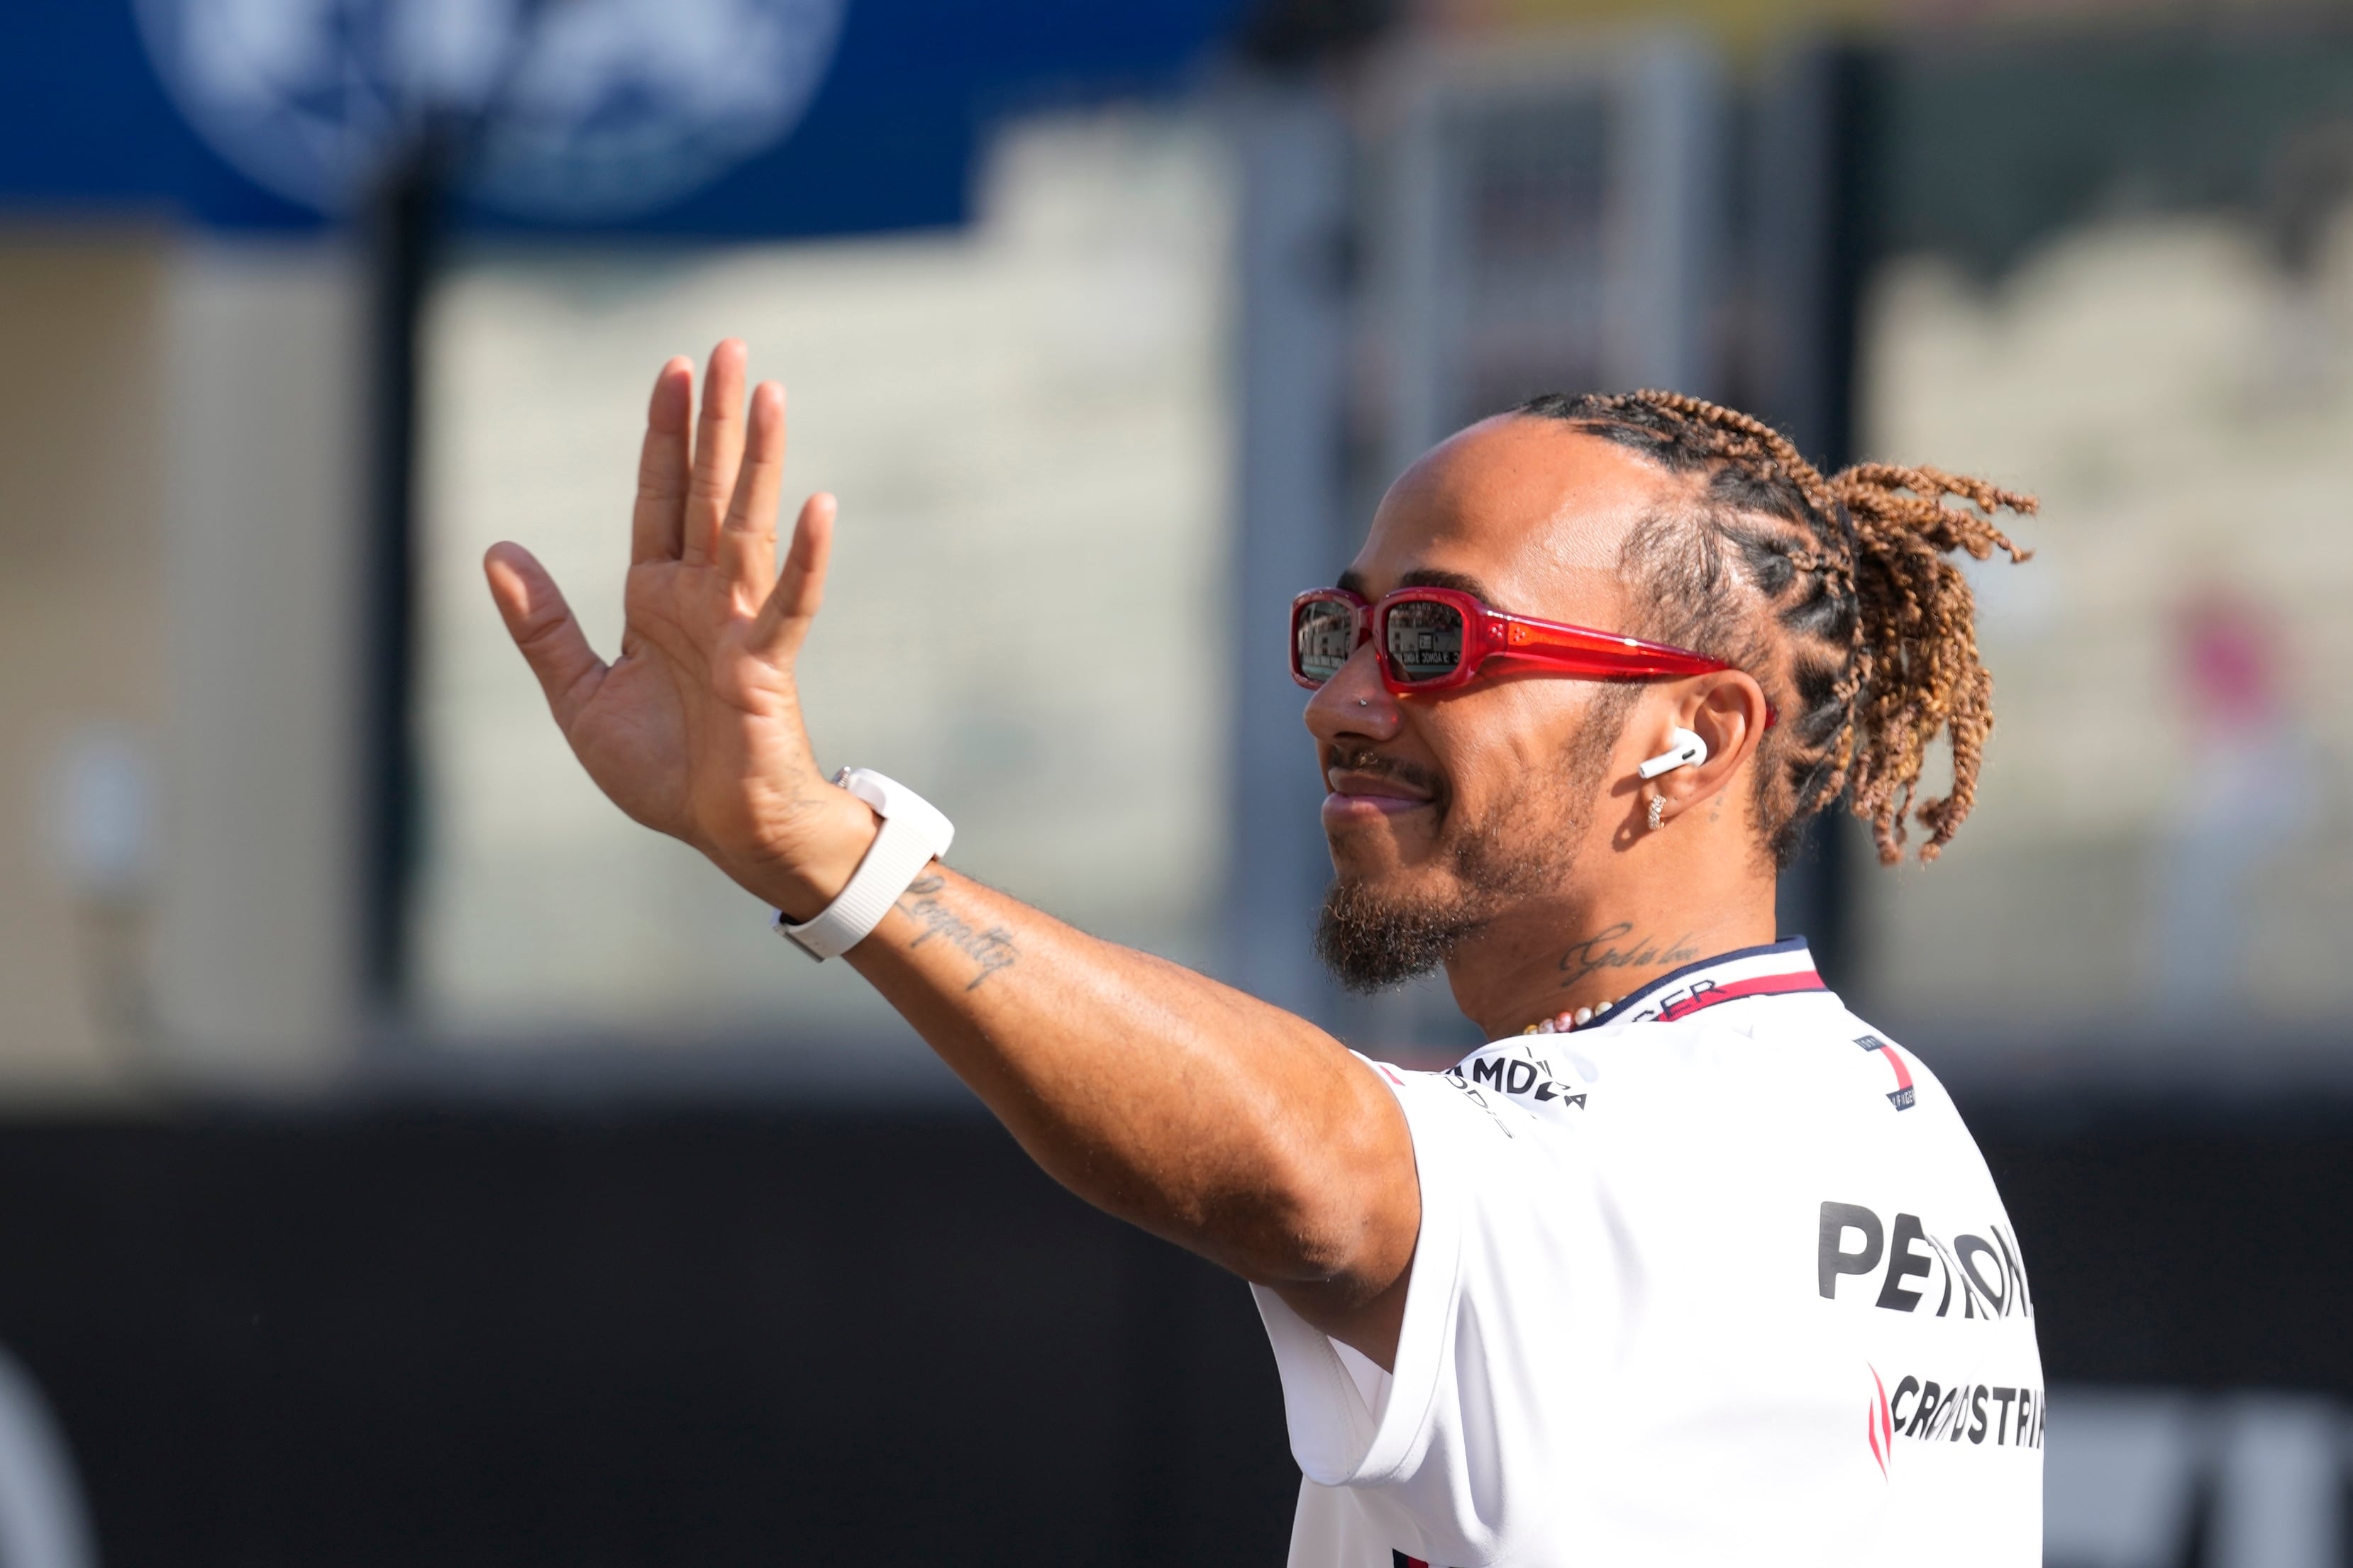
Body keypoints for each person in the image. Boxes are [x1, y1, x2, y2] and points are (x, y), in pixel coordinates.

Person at [484, 341, 2044, 1567]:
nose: (1347, 697)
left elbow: (1318, 1170)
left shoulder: (1689, 1141)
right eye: (1342, 630)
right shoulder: (1877, 1119)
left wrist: (829, 850)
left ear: (1693, 730)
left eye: (1439, 641)